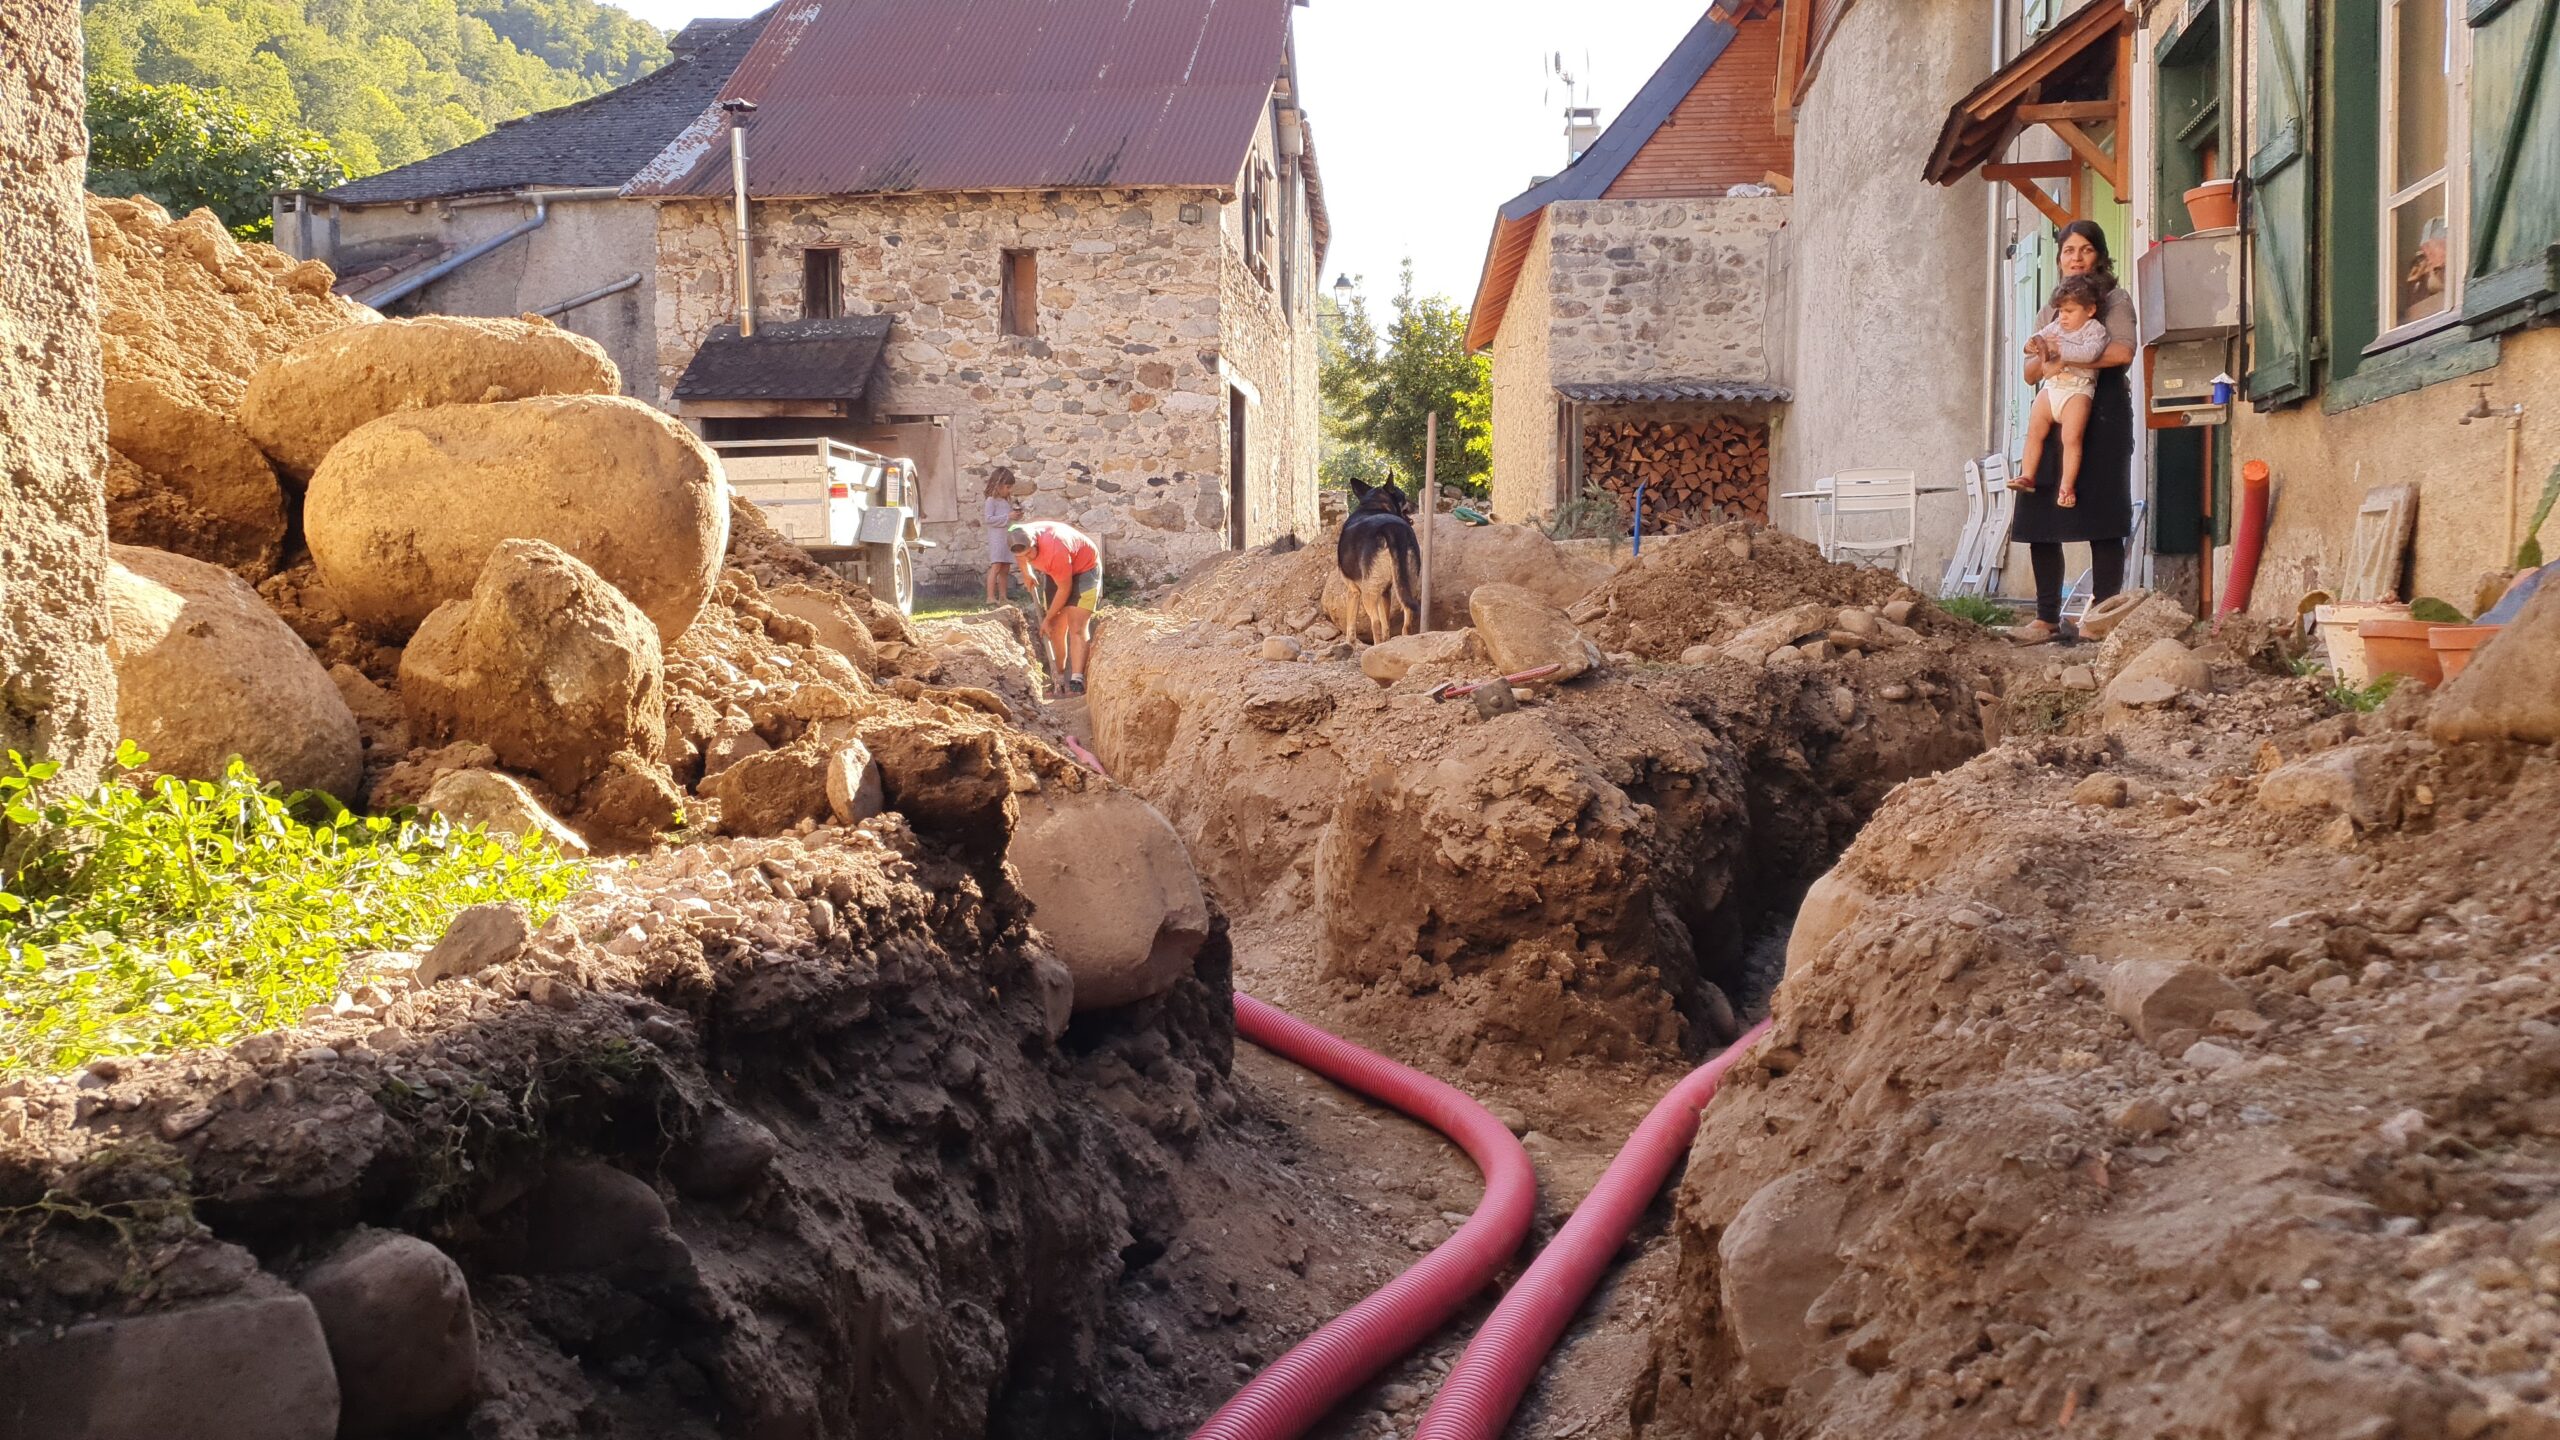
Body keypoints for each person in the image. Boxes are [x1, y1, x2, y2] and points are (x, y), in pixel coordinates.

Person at [2009, 219, 2139, 646]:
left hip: (2102, 412)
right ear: (2060, 257)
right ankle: (2046, 617)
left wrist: (2068, 356)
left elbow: (2122, 351)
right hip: (2053, 405)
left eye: (2085, 249)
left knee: (2103, 514)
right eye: (2069, 250)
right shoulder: (2053, 306)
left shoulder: (2114, 300)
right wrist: (2050, 362)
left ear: (2099, 255)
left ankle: (2101, 616)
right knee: (2040, 509)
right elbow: (2031, 371)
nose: (2077, 258)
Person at [2011, 274, 2112, 509]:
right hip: (2053, 385)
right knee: (2034, 429)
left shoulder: (2094, 330)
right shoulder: (2056, 325)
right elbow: (2041, 337)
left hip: (2077, 390)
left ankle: (2067, 486)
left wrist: (2060, 348)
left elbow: (2090, 354)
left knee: (2071, 437)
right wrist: (2033, 344)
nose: (2063, 317)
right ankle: (2027, 474)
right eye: (2061, 311)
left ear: (2089, 310)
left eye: (2069, 311)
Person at [1009, 519, 1101, 695]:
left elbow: (1065, 589)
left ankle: (1076, 680)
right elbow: (1020, 554)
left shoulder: (1054, 549)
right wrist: (1027, 572)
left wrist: (1047, 618)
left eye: (1030, 554)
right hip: (1056, 572)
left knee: (1077, 628)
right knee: (1056, 629)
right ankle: (1058, 679)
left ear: (1035, 543)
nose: (1027, 558)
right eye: (1024, 556)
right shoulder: (1017, 536)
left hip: (1085, 570)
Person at [982, 468, 1021, 605]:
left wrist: (1015, 516)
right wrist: (1007, 516)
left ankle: (1003, 597)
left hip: (1006, 537)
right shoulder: (991, 501)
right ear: (998, 485)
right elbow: (989, 519)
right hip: (997, 538)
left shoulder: (1006, 502)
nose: (1009, 490)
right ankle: (990, 597)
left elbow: (1007, 518)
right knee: (996, 565)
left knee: (1005, 567)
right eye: (1007, 487)